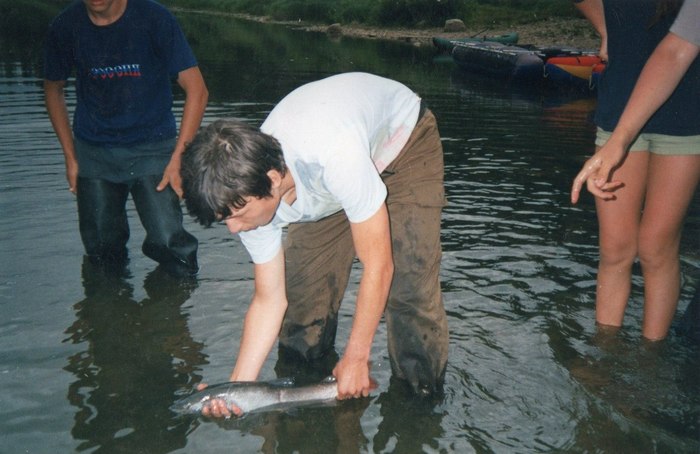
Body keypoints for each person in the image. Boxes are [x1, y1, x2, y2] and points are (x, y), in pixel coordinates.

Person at [181, 72, 449, 417]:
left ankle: (419, 408)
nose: (234, 229)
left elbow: (378, 266)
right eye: (224, 220)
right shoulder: (243, 194)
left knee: (408, 288)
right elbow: (268, 299)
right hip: (328, 185)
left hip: (402, 144)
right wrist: (237, 389)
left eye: (238, 215)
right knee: (304, 304)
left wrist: (356, 356)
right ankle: (316, 410)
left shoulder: (333, 155)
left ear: (273, 181)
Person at [44, 0, 208, 277]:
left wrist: (179, 158)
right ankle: (107, 313)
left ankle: (173, 313)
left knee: (169, 242)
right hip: (93, 152)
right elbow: (52, 89)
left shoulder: (155, 19)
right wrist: (71, 157)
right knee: (101, 251)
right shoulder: (65, 26)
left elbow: (198, 91)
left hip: (153, 147)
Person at [570, 0, 700, 340]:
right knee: (615, 248)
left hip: (685, 112)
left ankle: (650, 357)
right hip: (619, 104)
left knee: (657, 246)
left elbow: (675, 52)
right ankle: (605, 352)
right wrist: (604, 27)